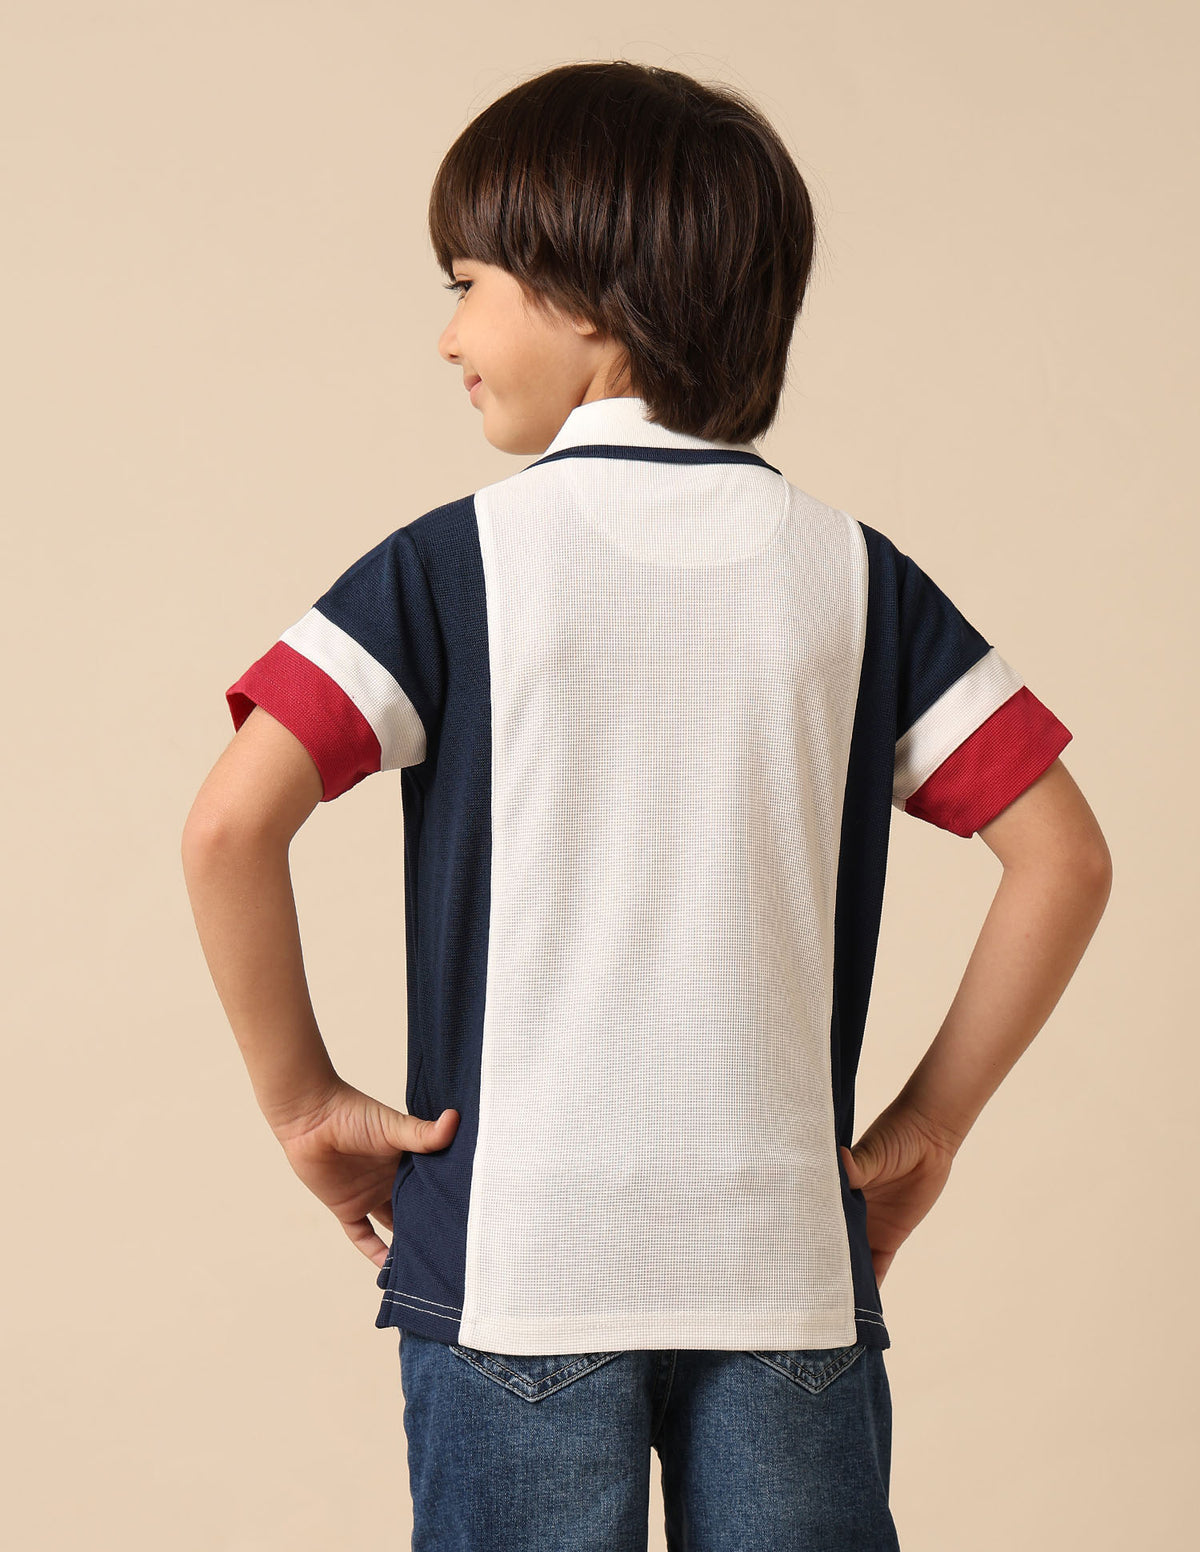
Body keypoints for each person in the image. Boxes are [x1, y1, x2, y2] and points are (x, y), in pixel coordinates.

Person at [181, 59, 1112, 1552]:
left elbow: (228, 827)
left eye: (468, 284)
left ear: (591, 299)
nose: (447, 334)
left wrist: (305, 1106)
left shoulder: (446, 569)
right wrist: (928, 1131)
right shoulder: (857, 580)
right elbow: (1063, 857)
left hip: (516, 1267)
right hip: (784, 1262)